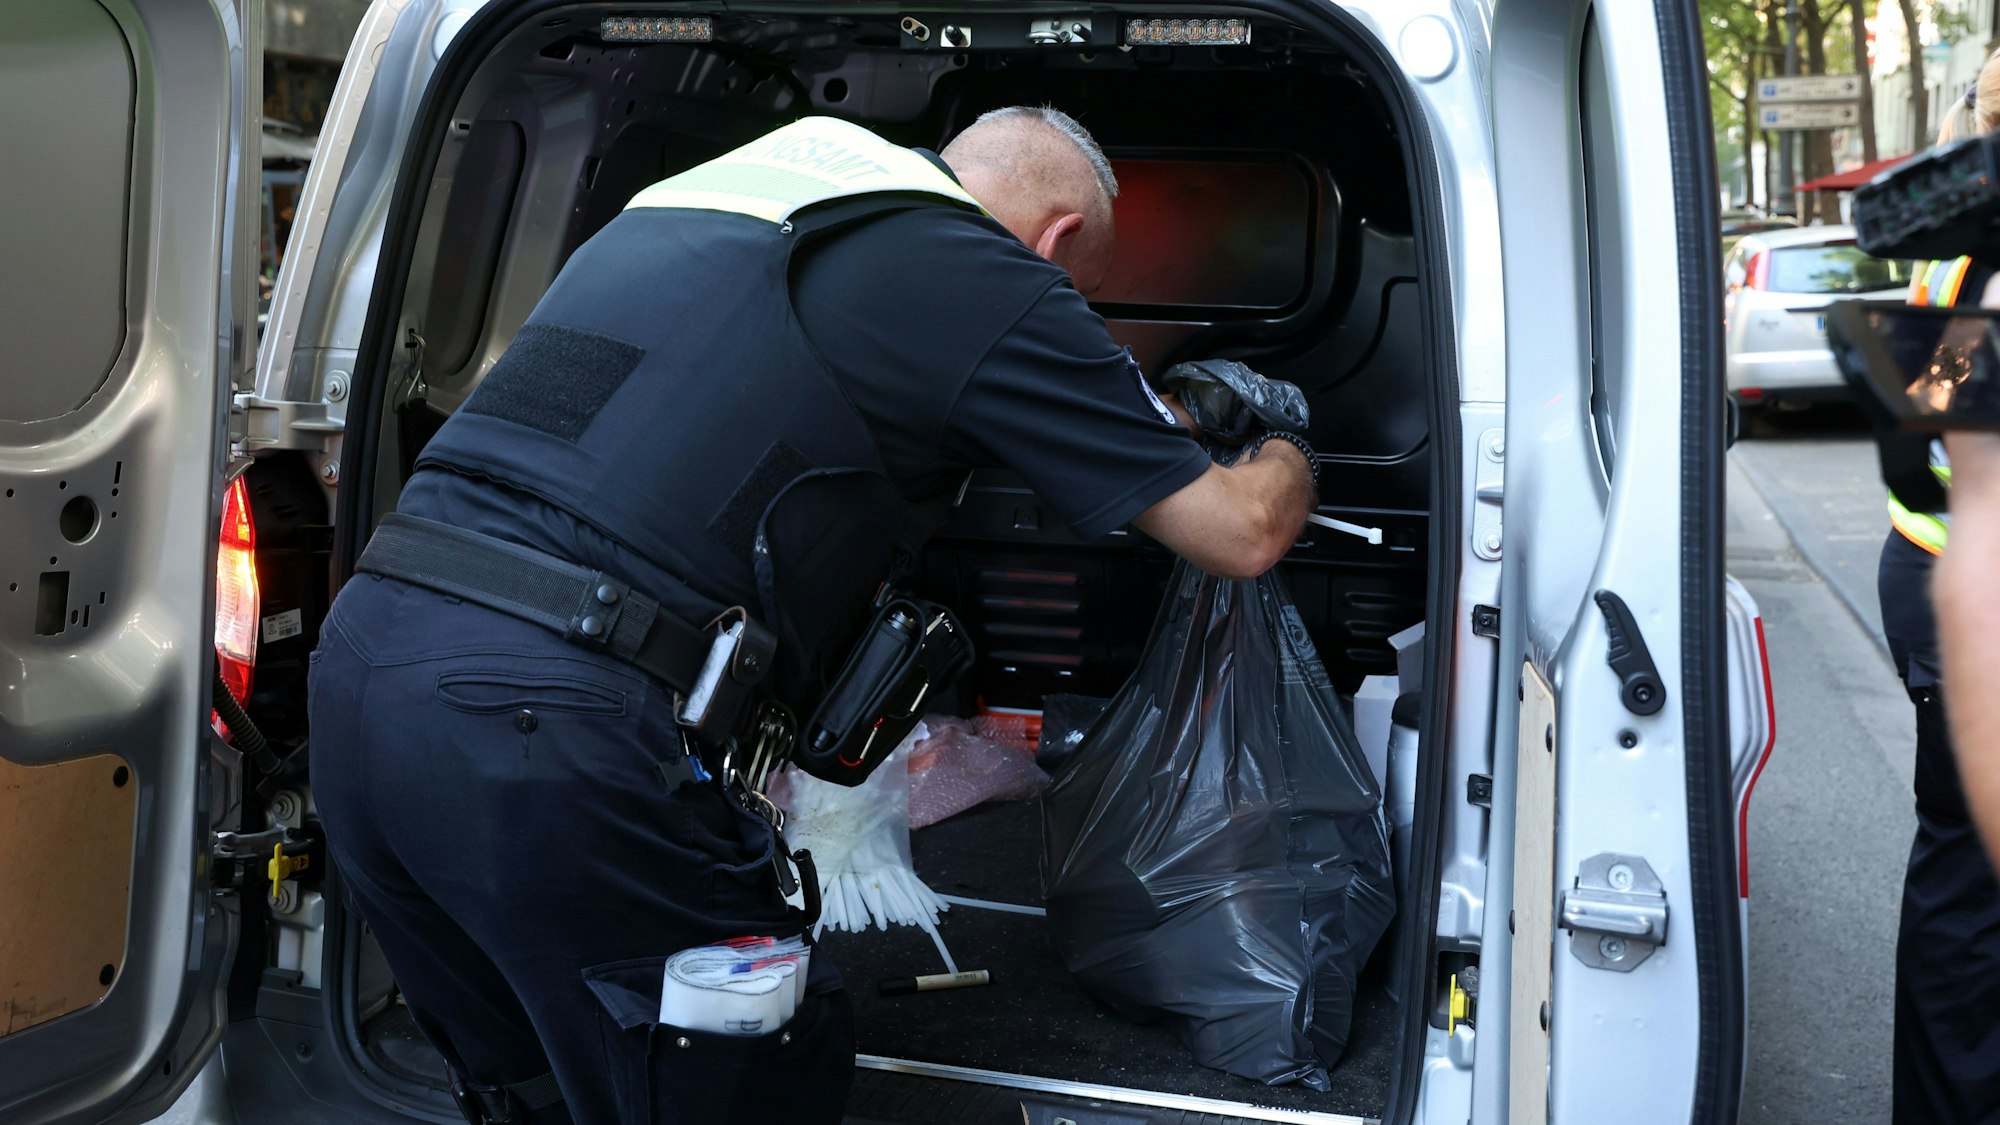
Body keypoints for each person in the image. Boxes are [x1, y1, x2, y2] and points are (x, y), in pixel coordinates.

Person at [306, 106, 1316, 1125]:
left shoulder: (726, 194)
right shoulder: (976, 270)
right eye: (1073, 290)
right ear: (1055, 242)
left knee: (531, 1088)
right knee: (745, 1073)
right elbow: (1240, 532)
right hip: (545, 719)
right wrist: (1283, 441)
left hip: (363, 674)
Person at [1877, 66, 2000, 1125]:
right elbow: (1934, 440)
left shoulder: (1961, 250)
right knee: (1968, 887)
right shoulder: (1983, 264)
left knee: (1964, 882)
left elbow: (1913, 439)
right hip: (1961, 591)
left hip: (1930, 569)